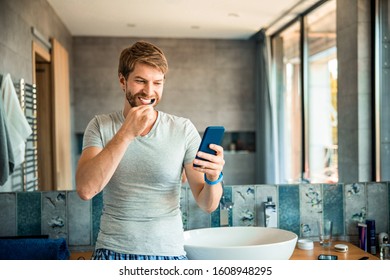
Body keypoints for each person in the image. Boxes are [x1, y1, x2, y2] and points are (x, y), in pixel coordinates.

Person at [75, 41, 224, 260]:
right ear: (122, 81)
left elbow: (207, 204)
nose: (149, 91)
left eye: (157, 83)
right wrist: (126, 133)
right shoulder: (100, 126)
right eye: (140, 81)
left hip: (169, 254)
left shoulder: (182, 129)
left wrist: (213, 177)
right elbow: (86, 190)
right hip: (112, 252)